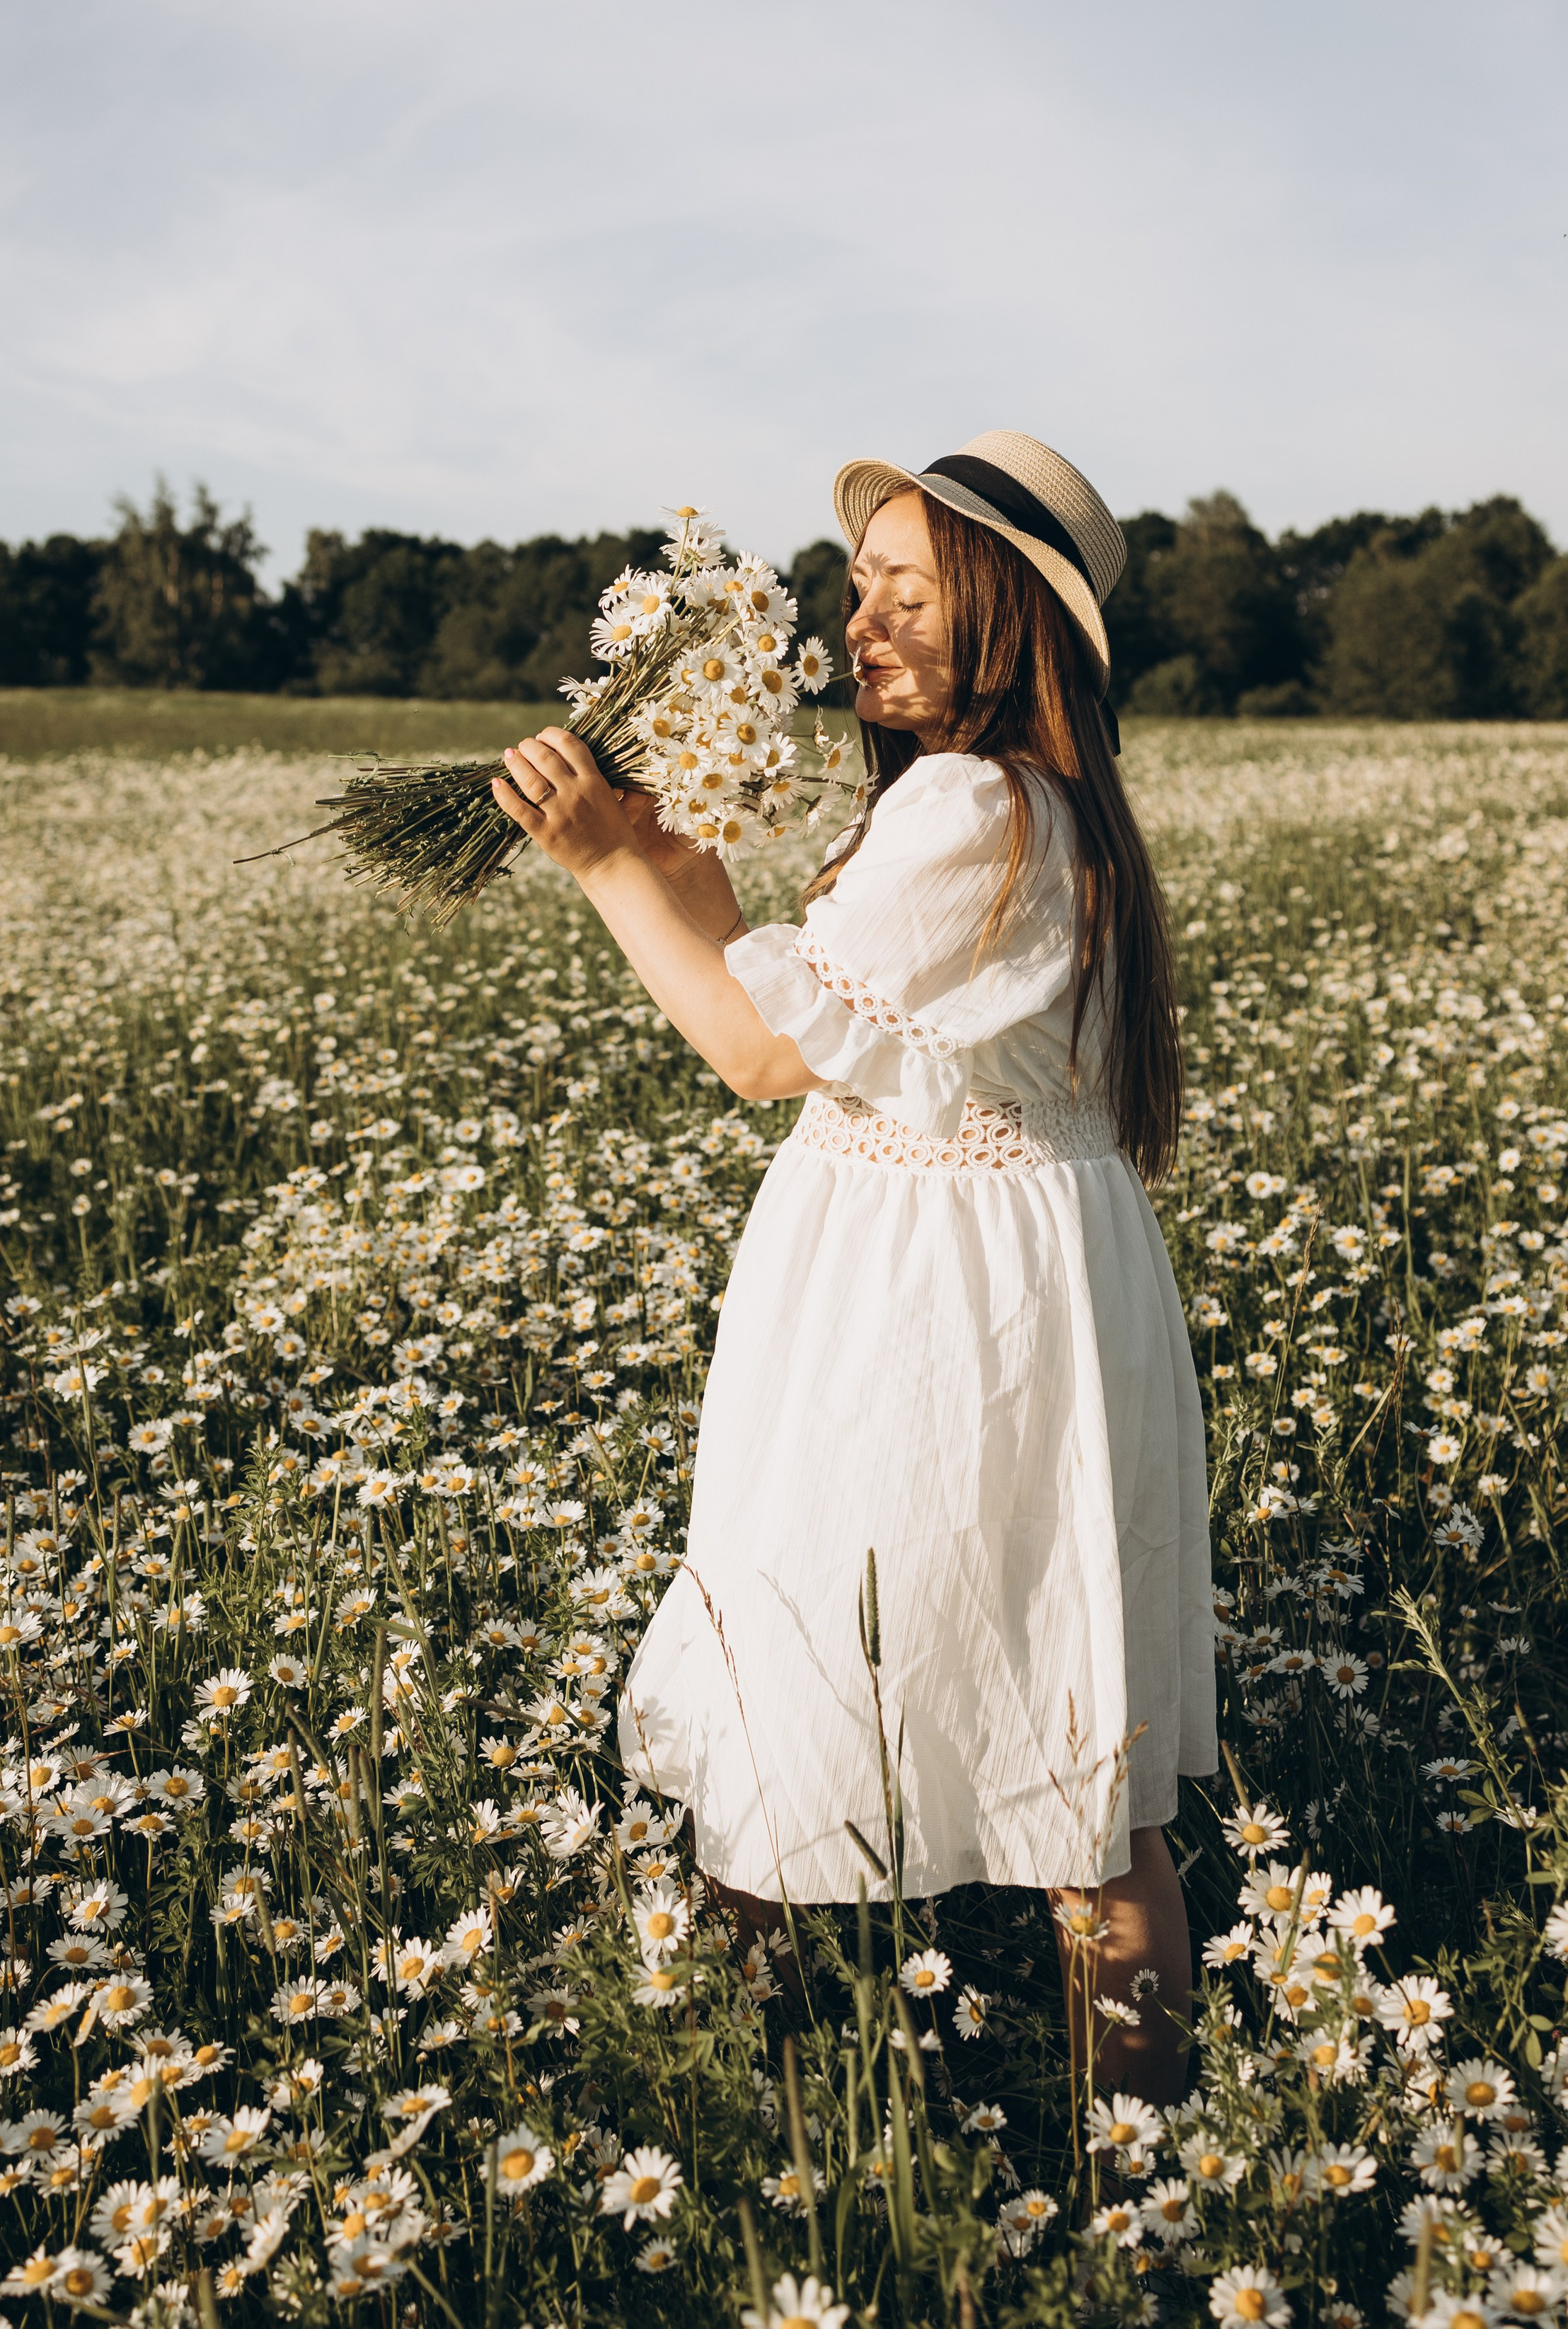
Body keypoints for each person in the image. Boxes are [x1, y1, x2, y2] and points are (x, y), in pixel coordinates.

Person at [490, 429, 1215, 2105]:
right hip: (1010, 1281)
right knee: (1071, 1741)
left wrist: (605, 863)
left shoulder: (970, 804)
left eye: (908, 588)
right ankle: (1152, 2168)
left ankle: (740, 2113)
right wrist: (665, 856)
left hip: (932, 1317)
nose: (858, 620)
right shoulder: (1031, 806)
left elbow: (754, 1047)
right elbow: (794, 985)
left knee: (815, 1655)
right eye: (858, 582)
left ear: (1010, 624)